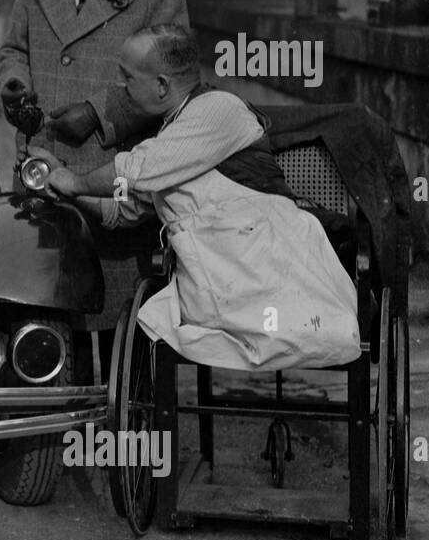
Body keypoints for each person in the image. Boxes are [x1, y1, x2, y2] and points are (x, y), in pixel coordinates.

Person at [36, 25, 361, 371]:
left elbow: (134, 170)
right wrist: (59, 176)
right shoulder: (175, 133)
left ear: (162, 85)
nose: (121, 87)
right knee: (159, 317)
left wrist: (74, 182)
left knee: (166, 317)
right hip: (220, 274)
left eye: (128, 78)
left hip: (268, 267)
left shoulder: (219, 109)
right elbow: (125, 208)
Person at [0, 0, 190, 361]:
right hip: (41, 166)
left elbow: (173, 80)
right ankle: (58, 419)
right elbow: (12, 53)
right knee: (48, 305)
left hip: (112, 172)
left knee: (122, 317)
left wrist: (99, 114)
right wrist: (14, 86)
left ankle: (124, 421)